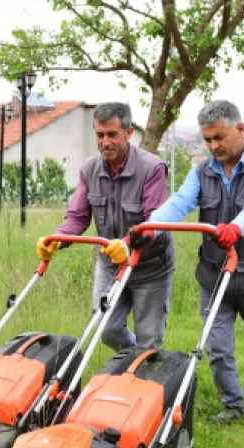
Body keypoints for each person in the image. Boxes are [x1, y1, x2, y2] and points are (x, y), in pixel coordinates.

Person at [142, 100, 244, 424]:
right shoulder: (202, 170)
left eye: (219, 138)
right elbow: (179, 203)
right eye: (207, 140)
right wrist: (148, 228)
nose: (213, 146)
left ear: (240, 128)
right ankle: (232, 403)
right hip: (215, 273)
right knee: (217, 345)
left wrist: (236, 227)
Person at [37, 102, 175, 352]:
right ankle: (130, 360)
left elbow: (155, 222)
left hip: (150, 268)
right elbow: (77, 217)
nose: (105, 142)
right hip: (111, 266)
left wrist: (127, 243)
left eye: (112, 134)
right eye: (100, 135)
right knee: (106, 329)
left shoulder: (151, 168)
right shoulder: (90, 169)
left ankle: (141, 380)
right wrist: (57, 238)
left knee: (150, 340)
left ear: (128, 132)